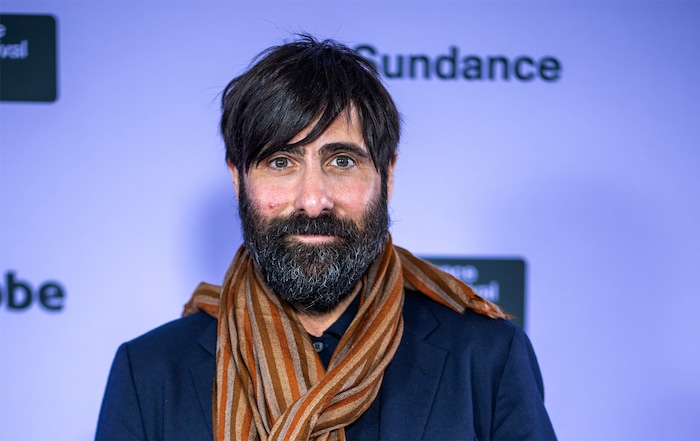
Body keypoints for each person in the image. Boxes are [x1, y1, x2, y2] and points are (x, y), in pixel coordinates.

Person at [95, 34, 556, 441]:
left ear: (387, 176)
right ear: (238, 181)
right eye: (281, 162)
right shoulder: (150, 373)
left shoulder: (488, 359)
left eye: (341, 161)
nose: (314, 200)